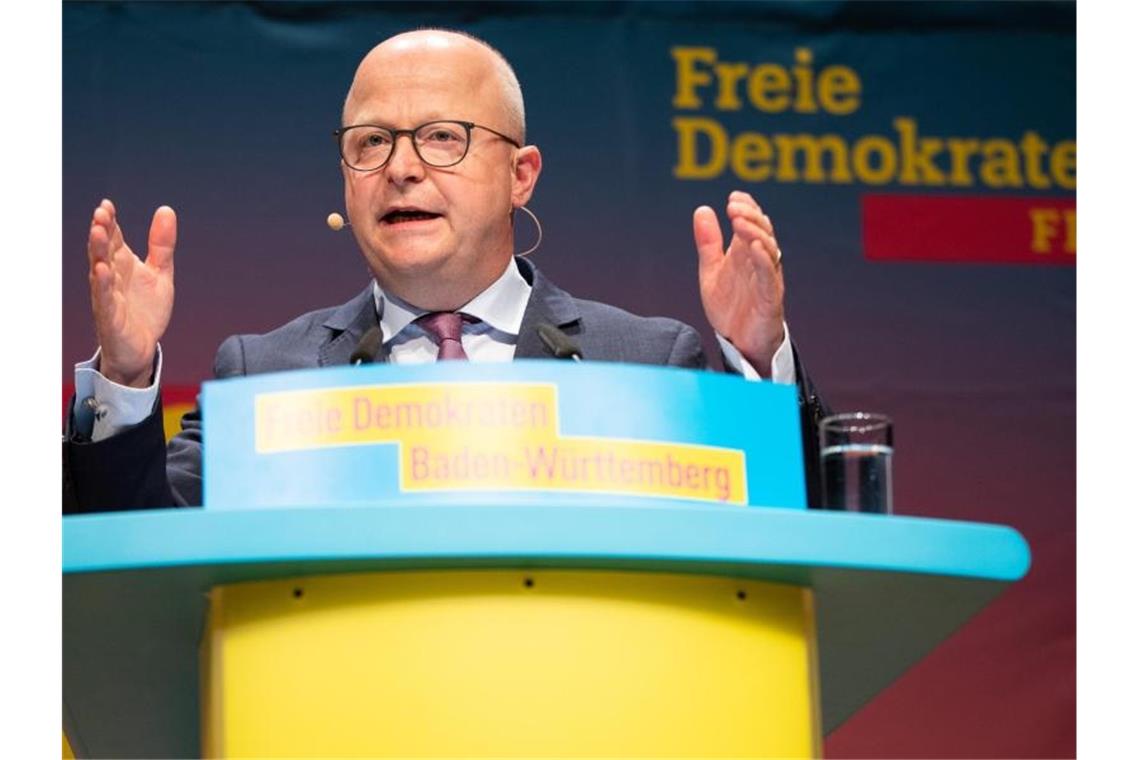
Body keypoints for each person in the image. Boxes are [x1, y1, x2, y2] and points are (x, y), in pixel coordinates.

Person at [63, 29, 828, 512]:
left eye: (441, 137)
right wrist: (127, 378)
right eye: (370, 143)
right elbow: (139, 562)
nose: (401, 169)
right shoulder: (265, 372)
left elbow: (779, 532)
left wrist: (763, 361)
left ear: (521, 174)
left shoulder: (643, 359)